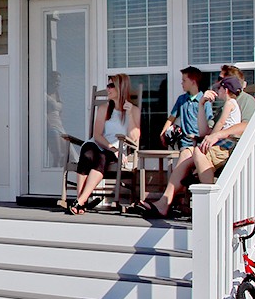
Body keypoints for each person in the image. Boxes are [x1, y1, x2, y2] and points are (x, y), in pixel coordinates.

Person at [65, 72, 141, 215]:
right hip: (100, 144)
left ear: (121, 87)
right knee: (87, 153)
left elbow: (135, 137)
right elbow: (97, 135)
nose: (108, 89)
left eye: (111, 85)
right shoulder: (104, 108)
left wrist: (130, 115)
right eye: (108, 85)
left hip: (116, 149)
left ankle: (80, 202)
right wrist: (112, 148)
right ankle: (81, 200)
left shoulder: (134, 111)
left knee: (101, 158)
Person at [143, 67, 213, 219]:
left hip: (199, 144)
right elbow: (171, 118)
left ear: (193, 81)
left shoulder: (204, 101)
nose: (181, 83)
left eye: (184, 80)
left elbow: (209, 125)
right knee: (185, 155)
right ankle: (169, 202)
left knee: (183, 160)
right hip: (186, 144)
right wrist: (163, 132)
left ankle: (166, 203)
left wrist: (198, 137)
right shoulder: (182, 100)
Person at [195, 75, 244, 184]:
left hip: (226, 143)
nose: (217, 91)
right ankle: (197, 175)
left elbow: (221, 122)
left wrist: (212, 135)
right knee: (204, 158)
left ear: (226, 90)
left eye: (219, 89)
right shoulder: (234, 104)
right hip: (226, 142)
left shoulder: (229, 103)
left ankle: (205, 185)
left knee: (199, 152)